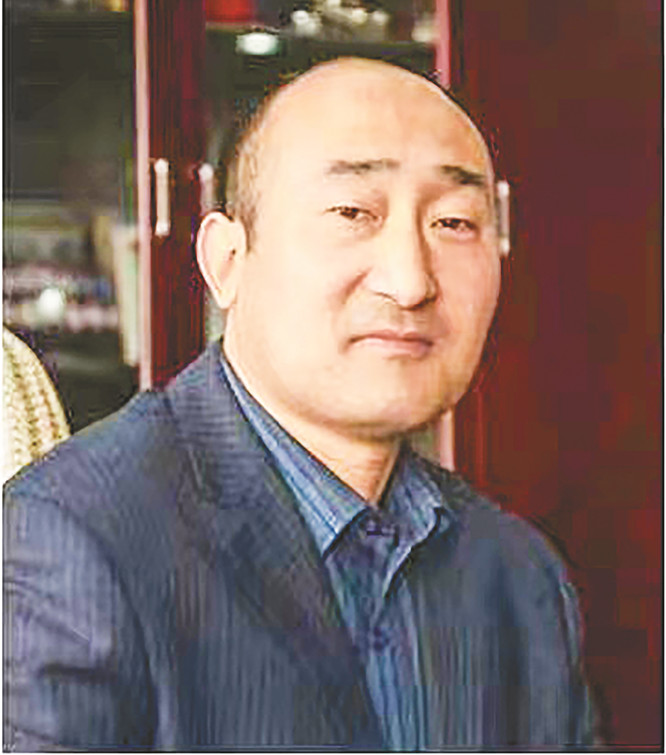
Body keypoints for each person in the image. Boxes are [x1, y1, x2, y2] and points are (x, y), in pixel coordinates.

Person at [3, 58, 594, 750]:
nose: (410, 281)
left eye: (455, 222)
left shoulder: (520, 579)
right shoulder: (70, 537)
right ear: (227, 260)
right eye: (352, 212)